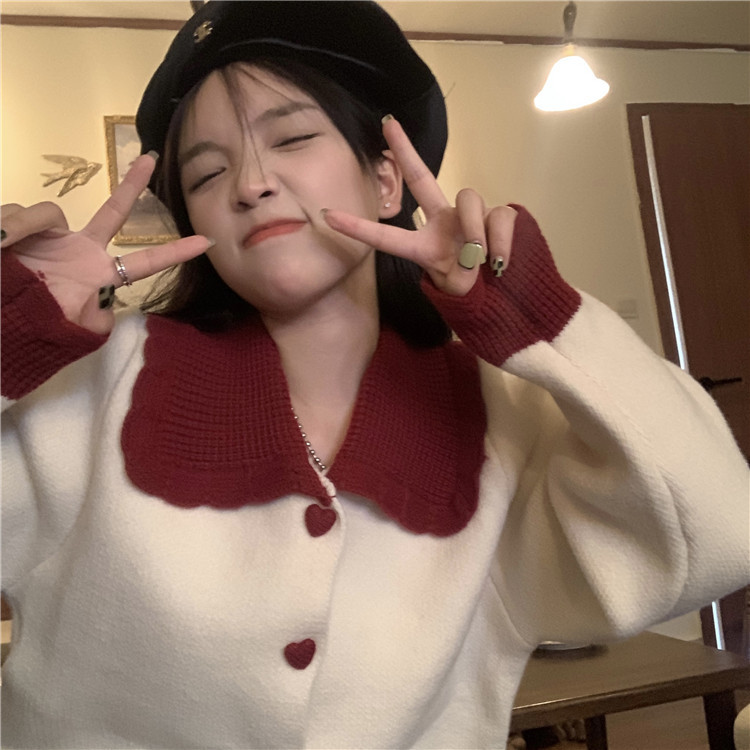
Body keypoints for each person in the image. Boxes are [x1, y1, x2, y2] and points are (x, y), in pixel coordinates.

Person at [1, 2, 747, 748]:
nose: (250, 183)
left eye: (293, 138)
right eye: (207, 172)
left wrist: (542, 316)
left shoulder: (503, 416)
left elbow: (714, 533)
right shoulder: (94, 386)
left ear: (386, 180)